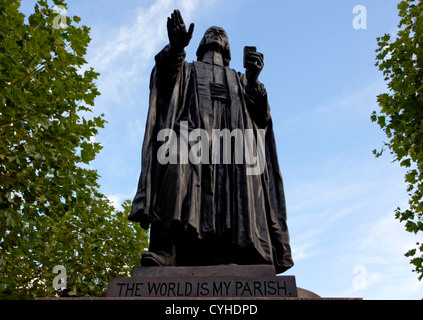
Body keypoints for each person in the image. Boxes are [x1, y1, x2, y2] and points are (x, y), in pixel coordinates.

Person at [129, 10, 294, 273]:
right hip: (191, 137)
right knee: (177, 166)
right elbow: (164, 77)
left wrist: (253, 80)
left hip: (234, 143)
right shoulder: (187, 70)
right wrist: (175, 46)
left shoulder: (241, 79)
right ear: (200, 44)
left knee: (241, 183)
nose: (217, 32)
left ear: (228, 49)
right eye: (211, 32)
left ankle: (238, 253)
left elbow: (262, 118)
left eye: (222, 33)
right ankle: (169, 250)